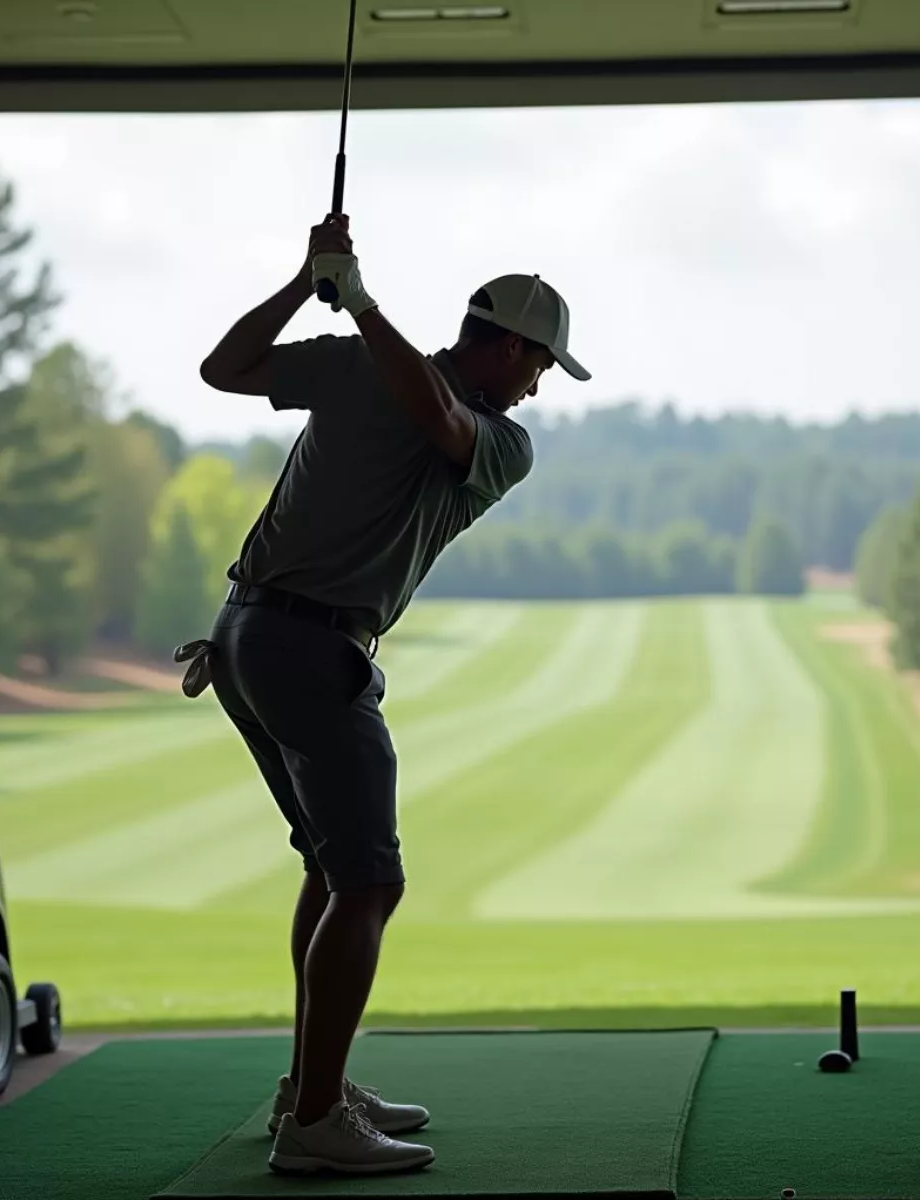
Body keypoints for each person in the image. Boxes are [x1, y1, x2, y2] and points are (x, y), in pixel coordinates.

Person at [196, 214, 590, 1176]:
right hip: (302, 648)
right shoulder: (365, 359)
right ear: (507, 346)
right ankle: (319, 1123)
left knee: (331, 872)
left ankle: (308, 1088)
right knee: (370, 881)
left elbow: (438, 419)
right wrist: (308, 282)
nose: (539, 385)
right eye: (540, 364)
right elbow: (223, 368)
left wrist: (359, 303)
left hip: (249, 637)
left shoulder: (498, 440)